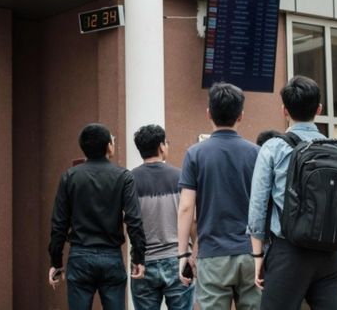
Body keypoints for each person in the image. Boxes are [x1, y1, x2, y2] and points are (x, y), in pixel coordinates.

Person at [248, 76, 337, 310]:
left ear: (284, 110)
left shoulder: (273, 147)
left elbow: (258, 205)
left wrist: (257, 257)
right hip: (330, 257)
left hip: (288, 253)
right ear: (319, 109)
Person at [177, 82, 261, 309]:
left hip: (212, 254)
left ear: (208, 114)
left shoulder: (195, 154)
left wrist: (183, 253)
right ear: (241, 116)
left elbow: (186, 208)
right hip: (251, 253)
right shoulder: (257, 153)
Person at [48, 123, 146, 310]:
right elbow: (134, 220)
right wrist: (138, 258)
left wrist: (56, 261)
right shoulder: (123, 177)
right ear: (109, 146)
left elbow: (59, 223)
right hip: (111, 257)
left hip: (79, 257)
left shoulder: (69, 177)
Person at [130, 124, 195, 310]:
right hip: (178, 259)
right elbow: (192, 218)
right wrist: (192, 251)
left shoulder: (129, 180)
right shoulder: (181, 177)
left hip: (144, 261)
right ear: (161, 146)